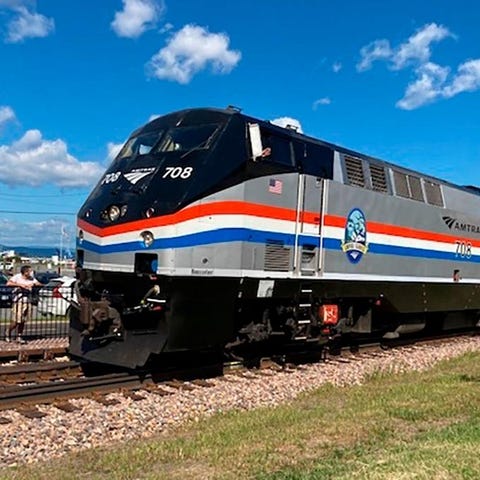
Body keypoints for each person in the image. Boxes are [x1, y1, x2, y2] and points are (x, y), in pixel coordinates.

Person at [5, 265, 42, 343]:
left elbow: (39, 284)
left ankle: (19, 336)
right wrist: (20, 285)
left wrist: (33, 284)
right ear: (25, 272)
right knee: (16, 320)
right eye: (29, 271)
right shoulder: (17, 277)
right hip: (19, 300)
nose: (31, 272)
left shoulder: (31, 278)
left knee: (23, 320)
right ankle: (8, 332)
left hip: (27, 300)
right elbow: (8, 283)